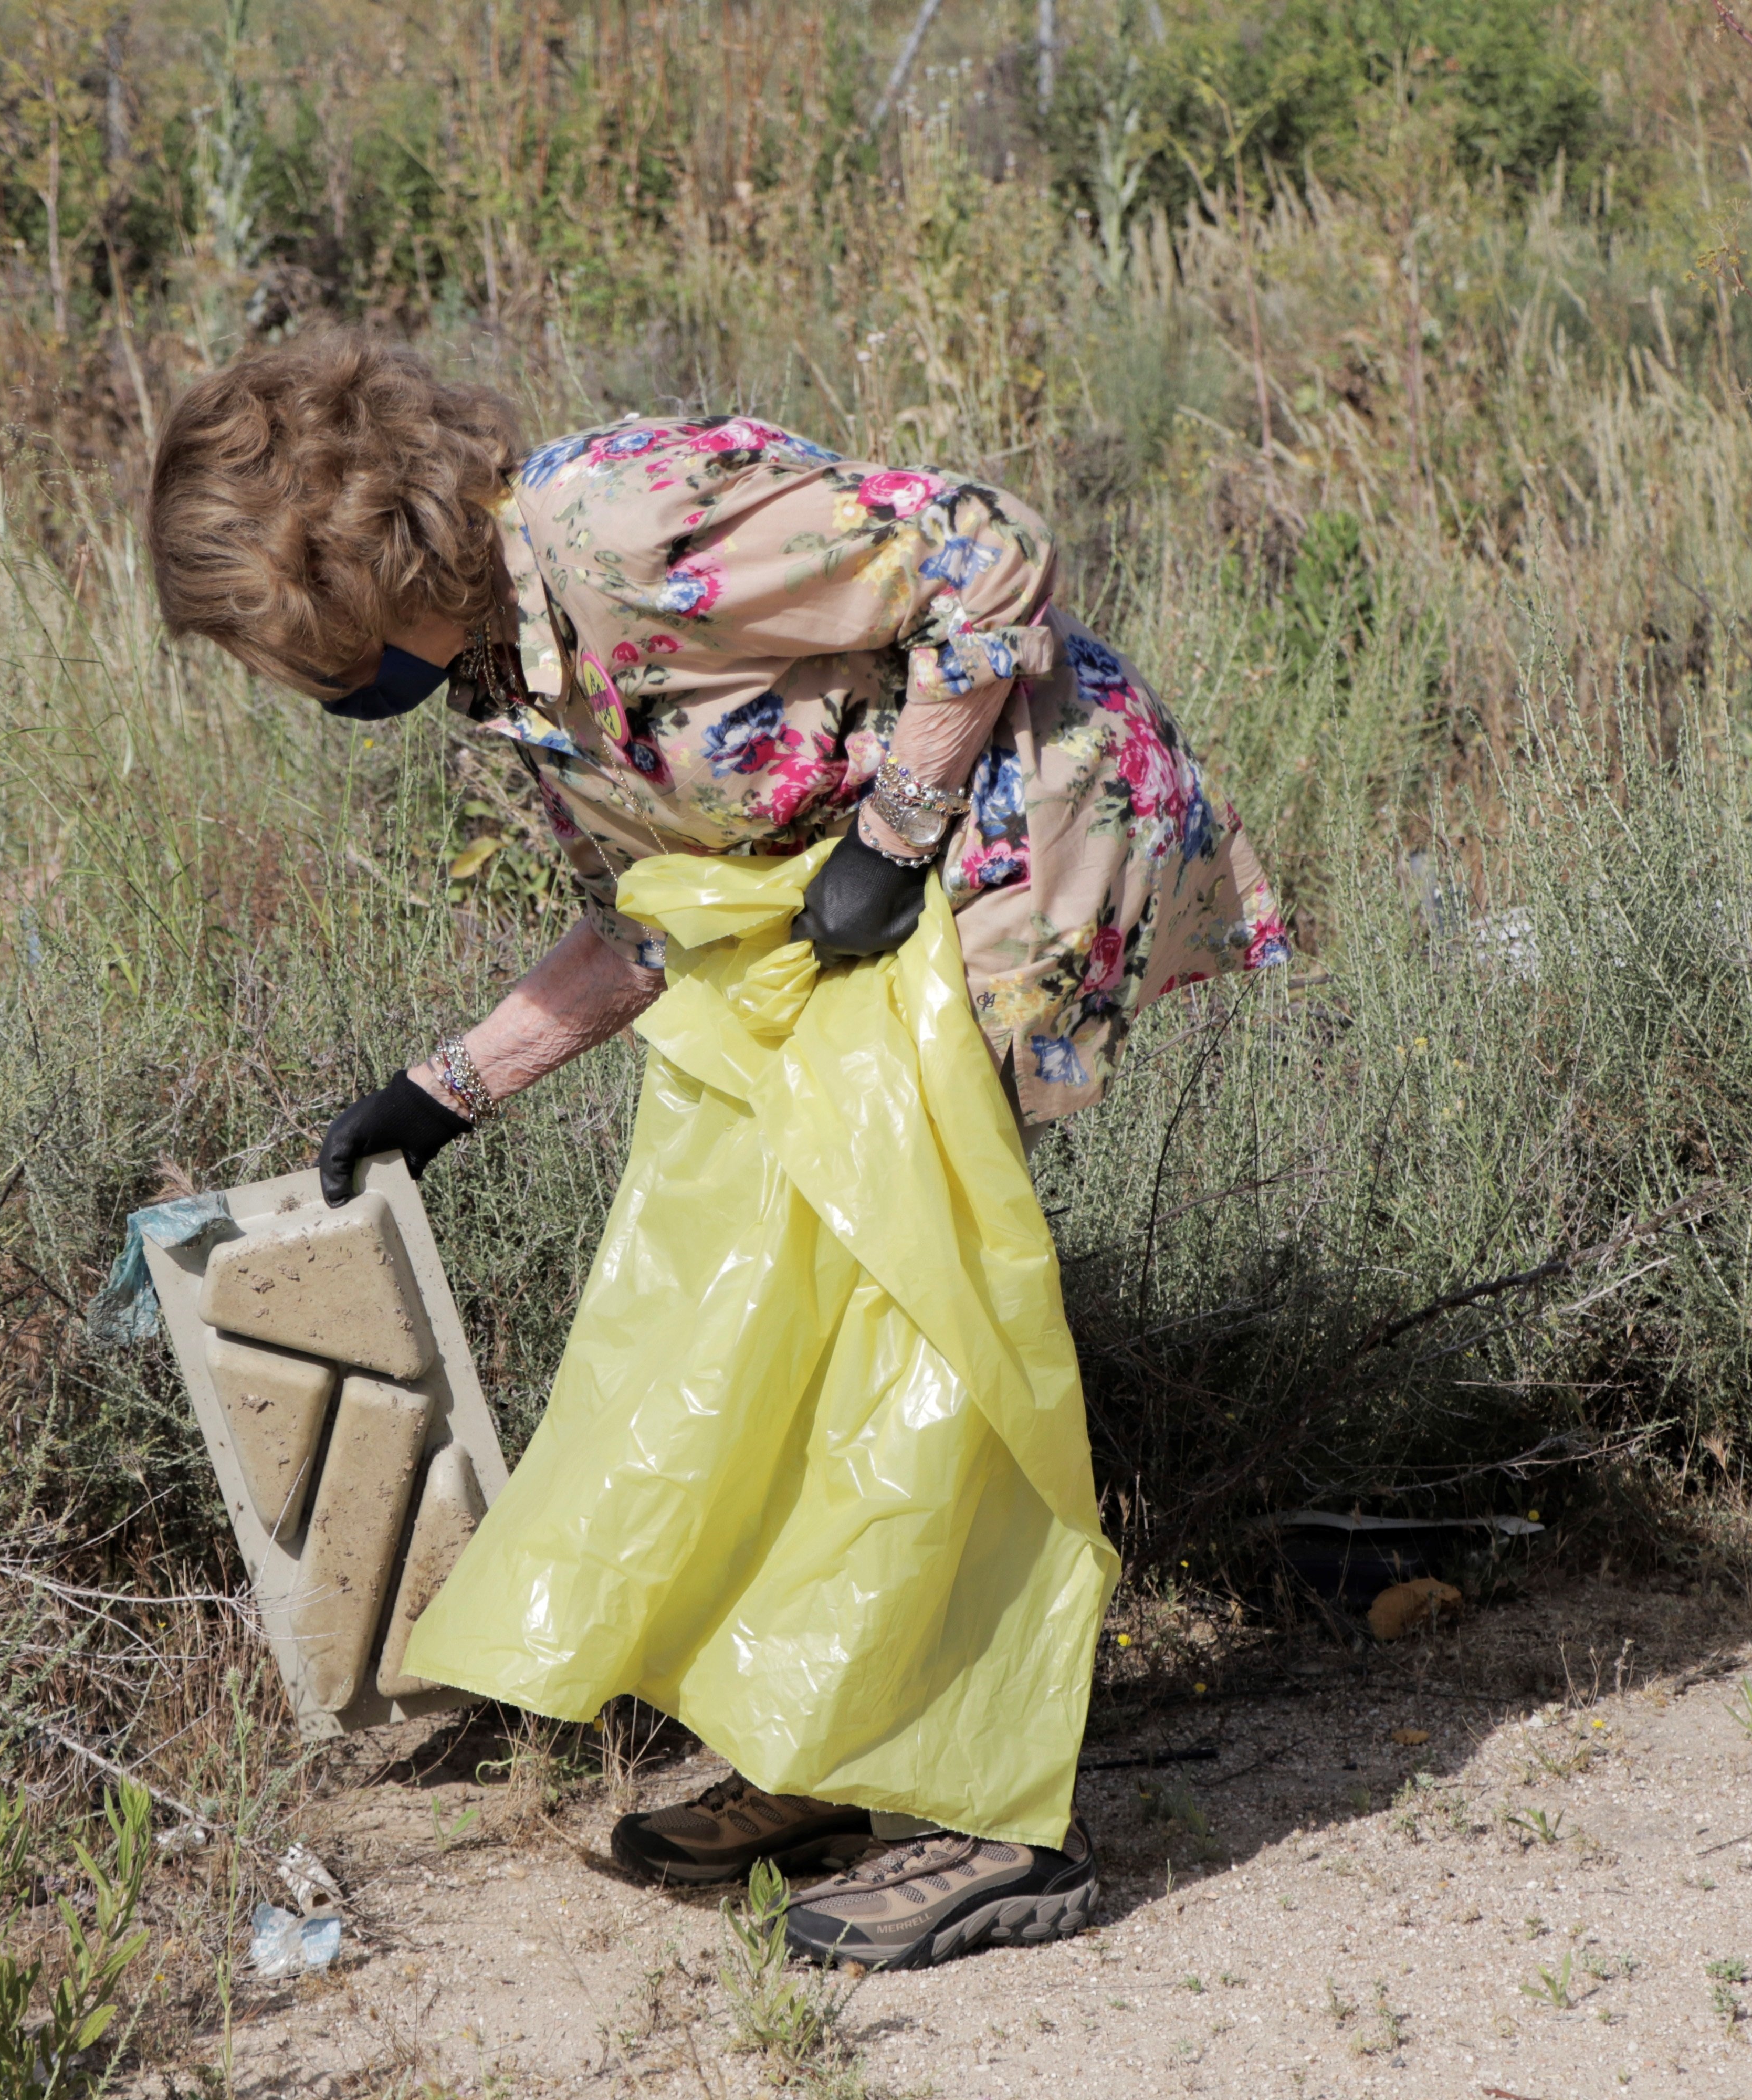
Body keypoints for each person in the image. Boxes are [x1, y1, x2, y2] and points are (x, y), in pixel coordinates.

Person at [148, 331, 1287, 1970]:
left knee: (918, 1326)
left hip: (1020, 840)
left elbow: (991, 544)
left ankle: (989, 1820)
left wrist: (897, 828)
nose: (306, 685)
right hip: (852, 925)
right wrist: (448, 1088)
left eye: (298, 638)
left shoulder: (616, 524)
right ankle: (823, 1747)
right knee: (775, 1319)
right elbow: (661, 920)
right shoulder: (499, 671)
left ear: (362, 553)